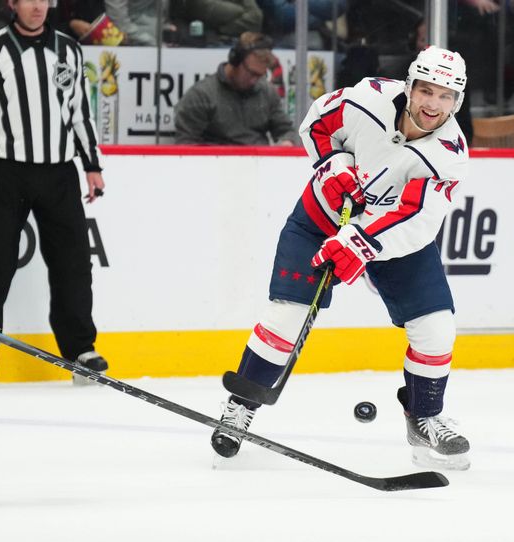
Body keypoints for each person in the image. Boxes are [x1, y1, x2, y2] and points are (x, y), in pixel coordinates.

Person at [210, 45, 472, 470]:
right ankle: (240, 407)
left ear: (457, 101)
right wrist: (332, 163)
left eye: (445, 96)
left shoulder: (449, 155)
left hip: (390, 241)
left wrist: (359, 242)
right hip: (319, 220)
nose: (433, 105)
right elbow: (316, 122)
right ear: (410, 86)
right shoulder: (366, 98)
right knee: (285, 317)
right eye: (426, 90)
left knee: (437, 328)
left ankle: (424, 416)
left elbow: (414, 220)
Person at [0, 0, 109, 387]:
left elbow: (79, 112)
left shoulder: (69, 49)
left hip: (58, 173)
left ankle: (80, 349)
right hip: (5, 170)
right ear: (11, 4)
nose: (37, 6)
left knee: (72, 262)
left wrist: (92, 166)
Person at [174, 32, 297, 146]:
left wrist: (287, 141)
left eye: (260, 76)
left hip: (259, 164)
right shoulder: (201, 95)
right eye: (251, 73)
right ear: (235, 61)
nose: (254, 80)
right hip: (214, 165)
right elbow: (186, 145)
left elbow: (286, 130)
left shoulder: (267, 92)